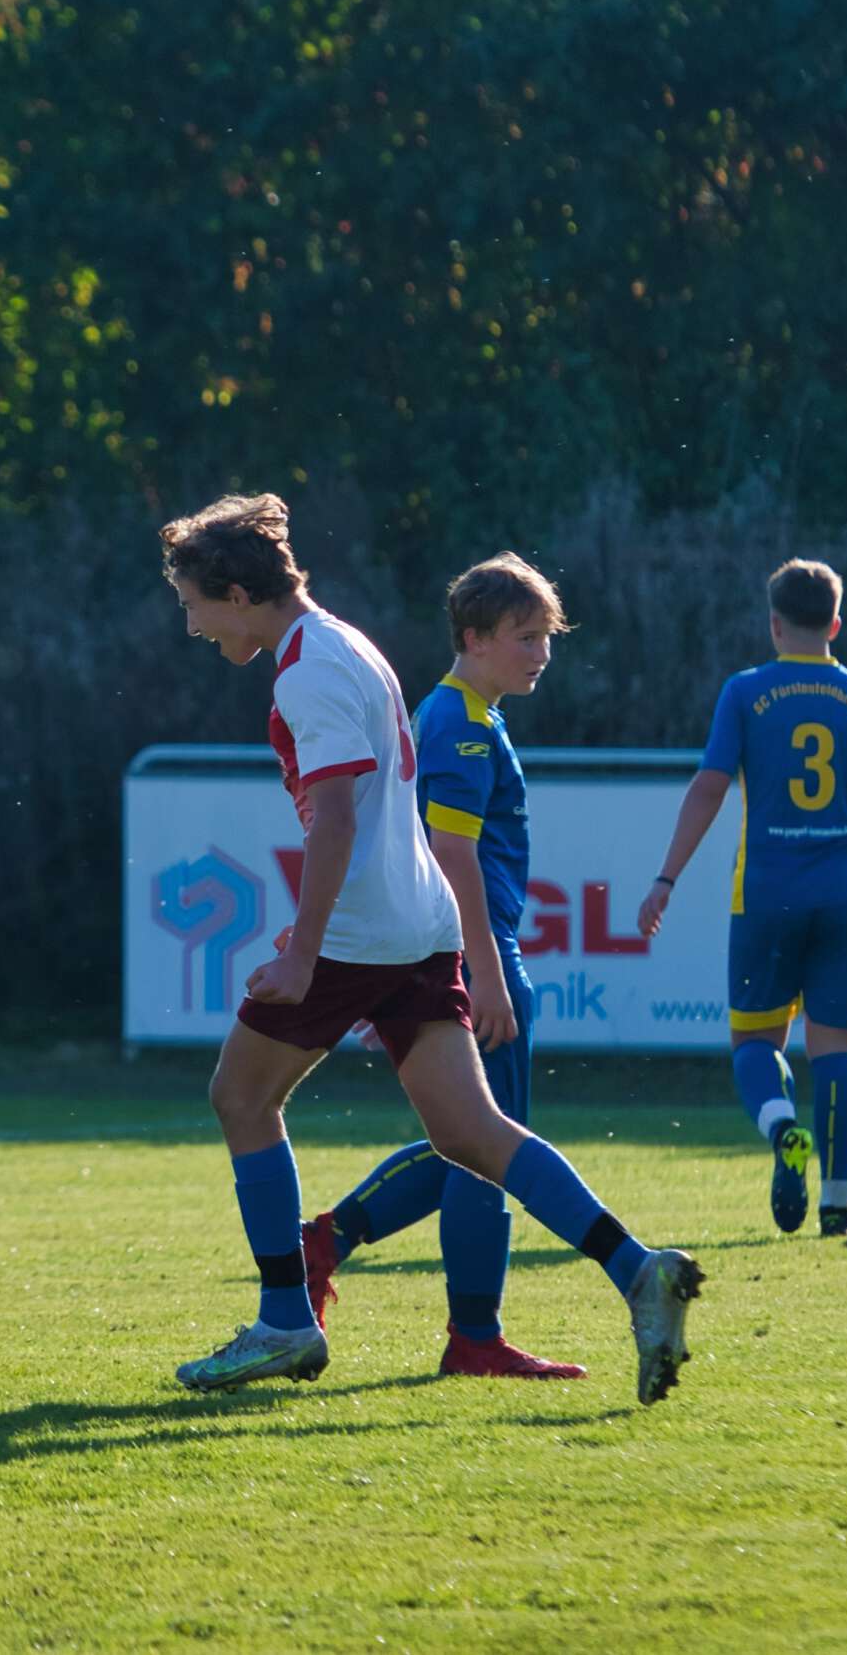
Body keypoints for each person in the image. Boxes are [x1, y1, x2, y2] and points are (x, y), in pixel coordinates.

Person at [159, 495, 701, 1402]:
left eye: (194, 604)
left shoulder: (306, 672)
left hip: (361, 930)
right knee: (471, 1134)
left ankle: (286, 1318)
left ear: (240, 592)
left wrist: (303, 950)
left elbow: (335, 816)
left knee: (240, 1095)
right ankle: (638, 1268)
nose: (192, 625)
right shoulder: (347, 642)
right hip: (420, 926)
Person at [301, 553, 585, 1379]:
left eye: (547, 638)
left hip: (454, 952)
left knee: (467, 1142)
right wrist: (488, 974)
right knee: (488, 1148)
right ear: (474, 636)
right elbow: (452, 852)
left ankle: (327, 1241)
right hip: (474, 954)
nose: (541, 653)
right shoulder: (457, 720)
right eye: (525, 637)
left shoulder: (462, 714)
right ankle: (474, 1336)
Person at [635, 559, 847, 1238]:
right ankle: (839, 1209)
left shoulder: (745, 692)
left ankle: (782, 1126)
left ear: (774, 623)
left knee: (754, 1043)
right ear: (836, 623)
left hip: (766, 891)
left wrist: (666, 877)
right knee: (837, 1051)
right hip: (841, 891)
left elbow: (709, 786)